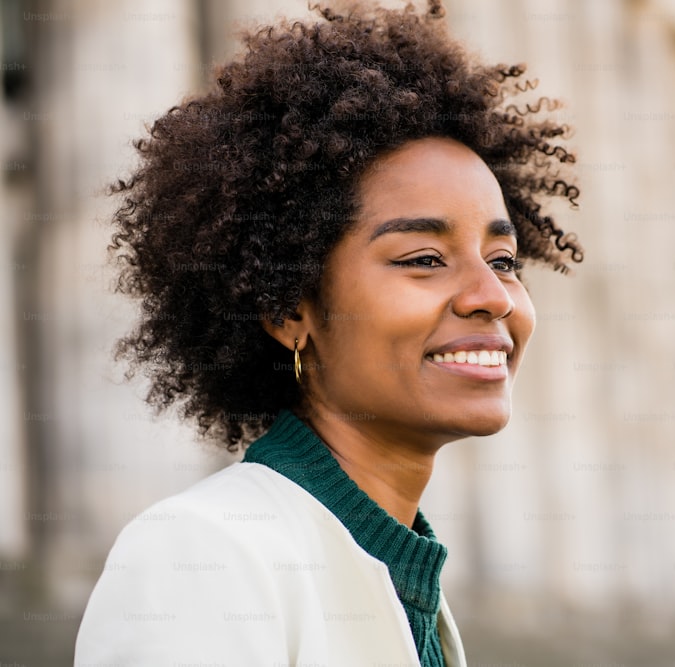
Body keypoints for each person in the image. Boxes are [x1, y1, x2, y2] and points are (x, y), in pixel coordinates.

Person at [74, 1, 583, 665]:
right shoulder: (201, 559)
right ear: (290, 309)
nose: (492, 296)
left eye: (503, 261)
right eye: (423, 259)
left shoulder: (409, 587)